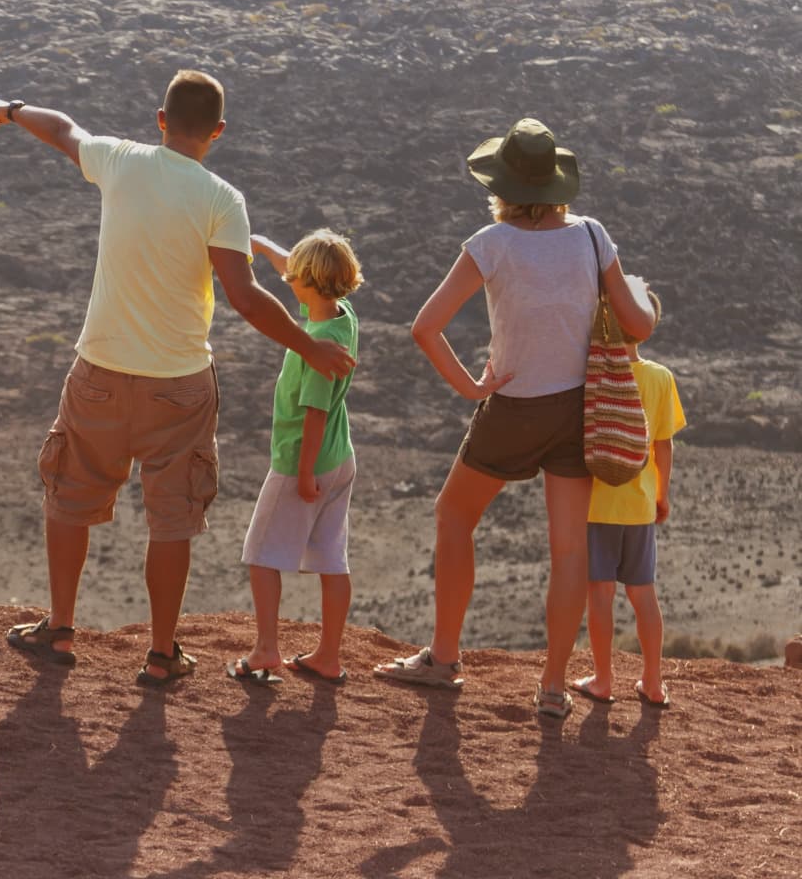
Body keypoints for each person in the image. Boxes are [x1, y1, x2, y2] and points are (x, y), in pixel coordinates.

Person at [0, 72, 356, 687]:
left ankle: (63, 627)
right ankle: (159, 652)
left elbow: (64, 129)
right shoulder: (221, 199)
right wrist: (308, 346)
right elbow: (246, 295)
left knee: (70, 494)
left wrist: (11, 109)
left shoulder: (121, 160)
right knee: (171, 517)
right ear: (218, 132)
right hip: (179, 384)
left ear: (160, 118)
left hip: (100, 369)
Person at [375, 117, 655, 719]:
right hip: (579, 408)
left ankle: (445, 657)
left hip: (513, 406)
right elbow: (641, 325)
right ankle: (552, 688)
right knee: (569, 551)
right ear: (557, 183)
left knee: (453, 514)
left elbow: (425, 326)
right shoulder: (591, 236)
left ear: (504, 184)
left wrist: (470, 385)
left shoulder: (491, 243)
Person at [229, 230, 363, 687]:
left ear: (308, 283)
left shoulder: (320, 343)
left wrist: (303, 473)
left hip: (303, 461)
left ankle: (267, 649)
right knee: (331, 558)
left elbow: (314, 413)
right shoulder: (341, 315)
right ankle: (328, 655)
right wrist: (264, 246)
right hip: (341, 457)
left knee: (261, 553)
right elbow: (302, 266)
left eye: (292, 276)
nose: (286, 278)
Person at [573, 289, 684, 709]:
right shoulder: (659, 378)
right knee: (643, 595)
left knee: (599, 595)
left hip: (597, 504)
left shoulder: (594, 376)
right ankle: (653, 683)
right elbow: (664, 446)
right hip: (639, 506)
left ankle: (603, 680)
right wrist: (662, 494)